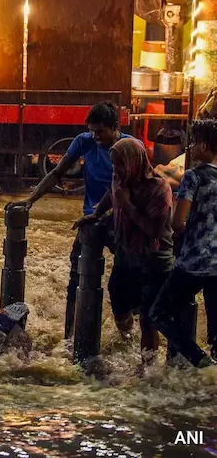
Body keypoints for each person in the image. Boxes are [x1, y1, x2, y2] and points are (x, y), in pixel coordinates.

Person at [10, 101, 130, 338]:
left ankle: (126, 332)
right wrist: (30, 200)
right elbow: (57, 173)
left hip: (121, 221)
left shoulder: (127, 148)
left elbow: (126, 188)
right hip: (90, 221)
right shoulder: (84, 141)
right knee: (76, 279)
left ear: (115, 127)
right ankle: (70, 336)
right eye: (92, 131)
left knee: (125, 281)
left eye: (101, 132)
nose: (96, 137)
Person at [76, 138, 174, 364]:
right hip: (126, 256)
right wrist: (96, 214)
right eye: (114, 165)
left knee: (148, 320)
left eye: (120, 164)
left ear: (133, 162)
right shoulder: (120, 179)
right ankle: (128, 343)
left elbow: (153, 231)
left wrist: (128, 204)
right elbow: (111, 194)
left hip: (153, 261)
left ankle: (146, 368)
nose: (116, 170)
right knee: (119, 305)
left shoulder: (159, 189)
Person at [150, 119, 217, 368]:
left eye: (194, 141)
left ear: (205, 145)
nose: (190, 147)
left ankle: (199, 360)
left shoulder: (193, 177)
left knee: (159, 313)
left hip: (193, 262)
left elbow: (178, 223)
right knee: (216, 333)